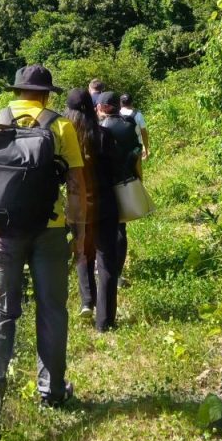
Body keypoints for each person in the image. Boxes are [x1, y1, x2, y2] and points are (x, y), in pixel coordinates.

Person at [0, 65, 86, 441]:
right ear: (46, 95)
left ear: (16, 91)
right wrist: (79, 235)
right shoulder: (60, 127)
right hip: (49, 232)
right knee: (51, 308)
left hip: (0, 233)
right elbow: (77, 188)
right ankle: (51, 391)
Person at [63, 89, 118, 321]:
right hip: (104, 204)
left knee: (83, 255)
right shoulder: (104, 136)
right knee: (106, 261)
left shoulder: (64, 141)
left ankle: (87, 301)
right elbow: (116, 172)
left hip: (77, 207)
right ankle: (104, 321)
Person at [94, 91, 143, 331]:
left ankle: (105, 274)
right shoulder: (128, 125)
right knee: (121, 228)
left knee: (108, 232)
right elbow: (136, 155)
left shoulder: (100, 130)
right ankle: (119, 270)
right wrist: (139, 181)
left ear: (102, 107)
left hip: (104, 188)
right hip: (126, 182)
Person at [120, 93, 149, 161]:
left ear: (120, 103)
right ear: (132, 102)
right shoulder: (138, 114)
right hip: (136, 147)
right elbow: (144, 133)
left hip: (121, 148)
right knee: (137, 167)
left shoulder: (117, 115)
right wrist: (146, 148)